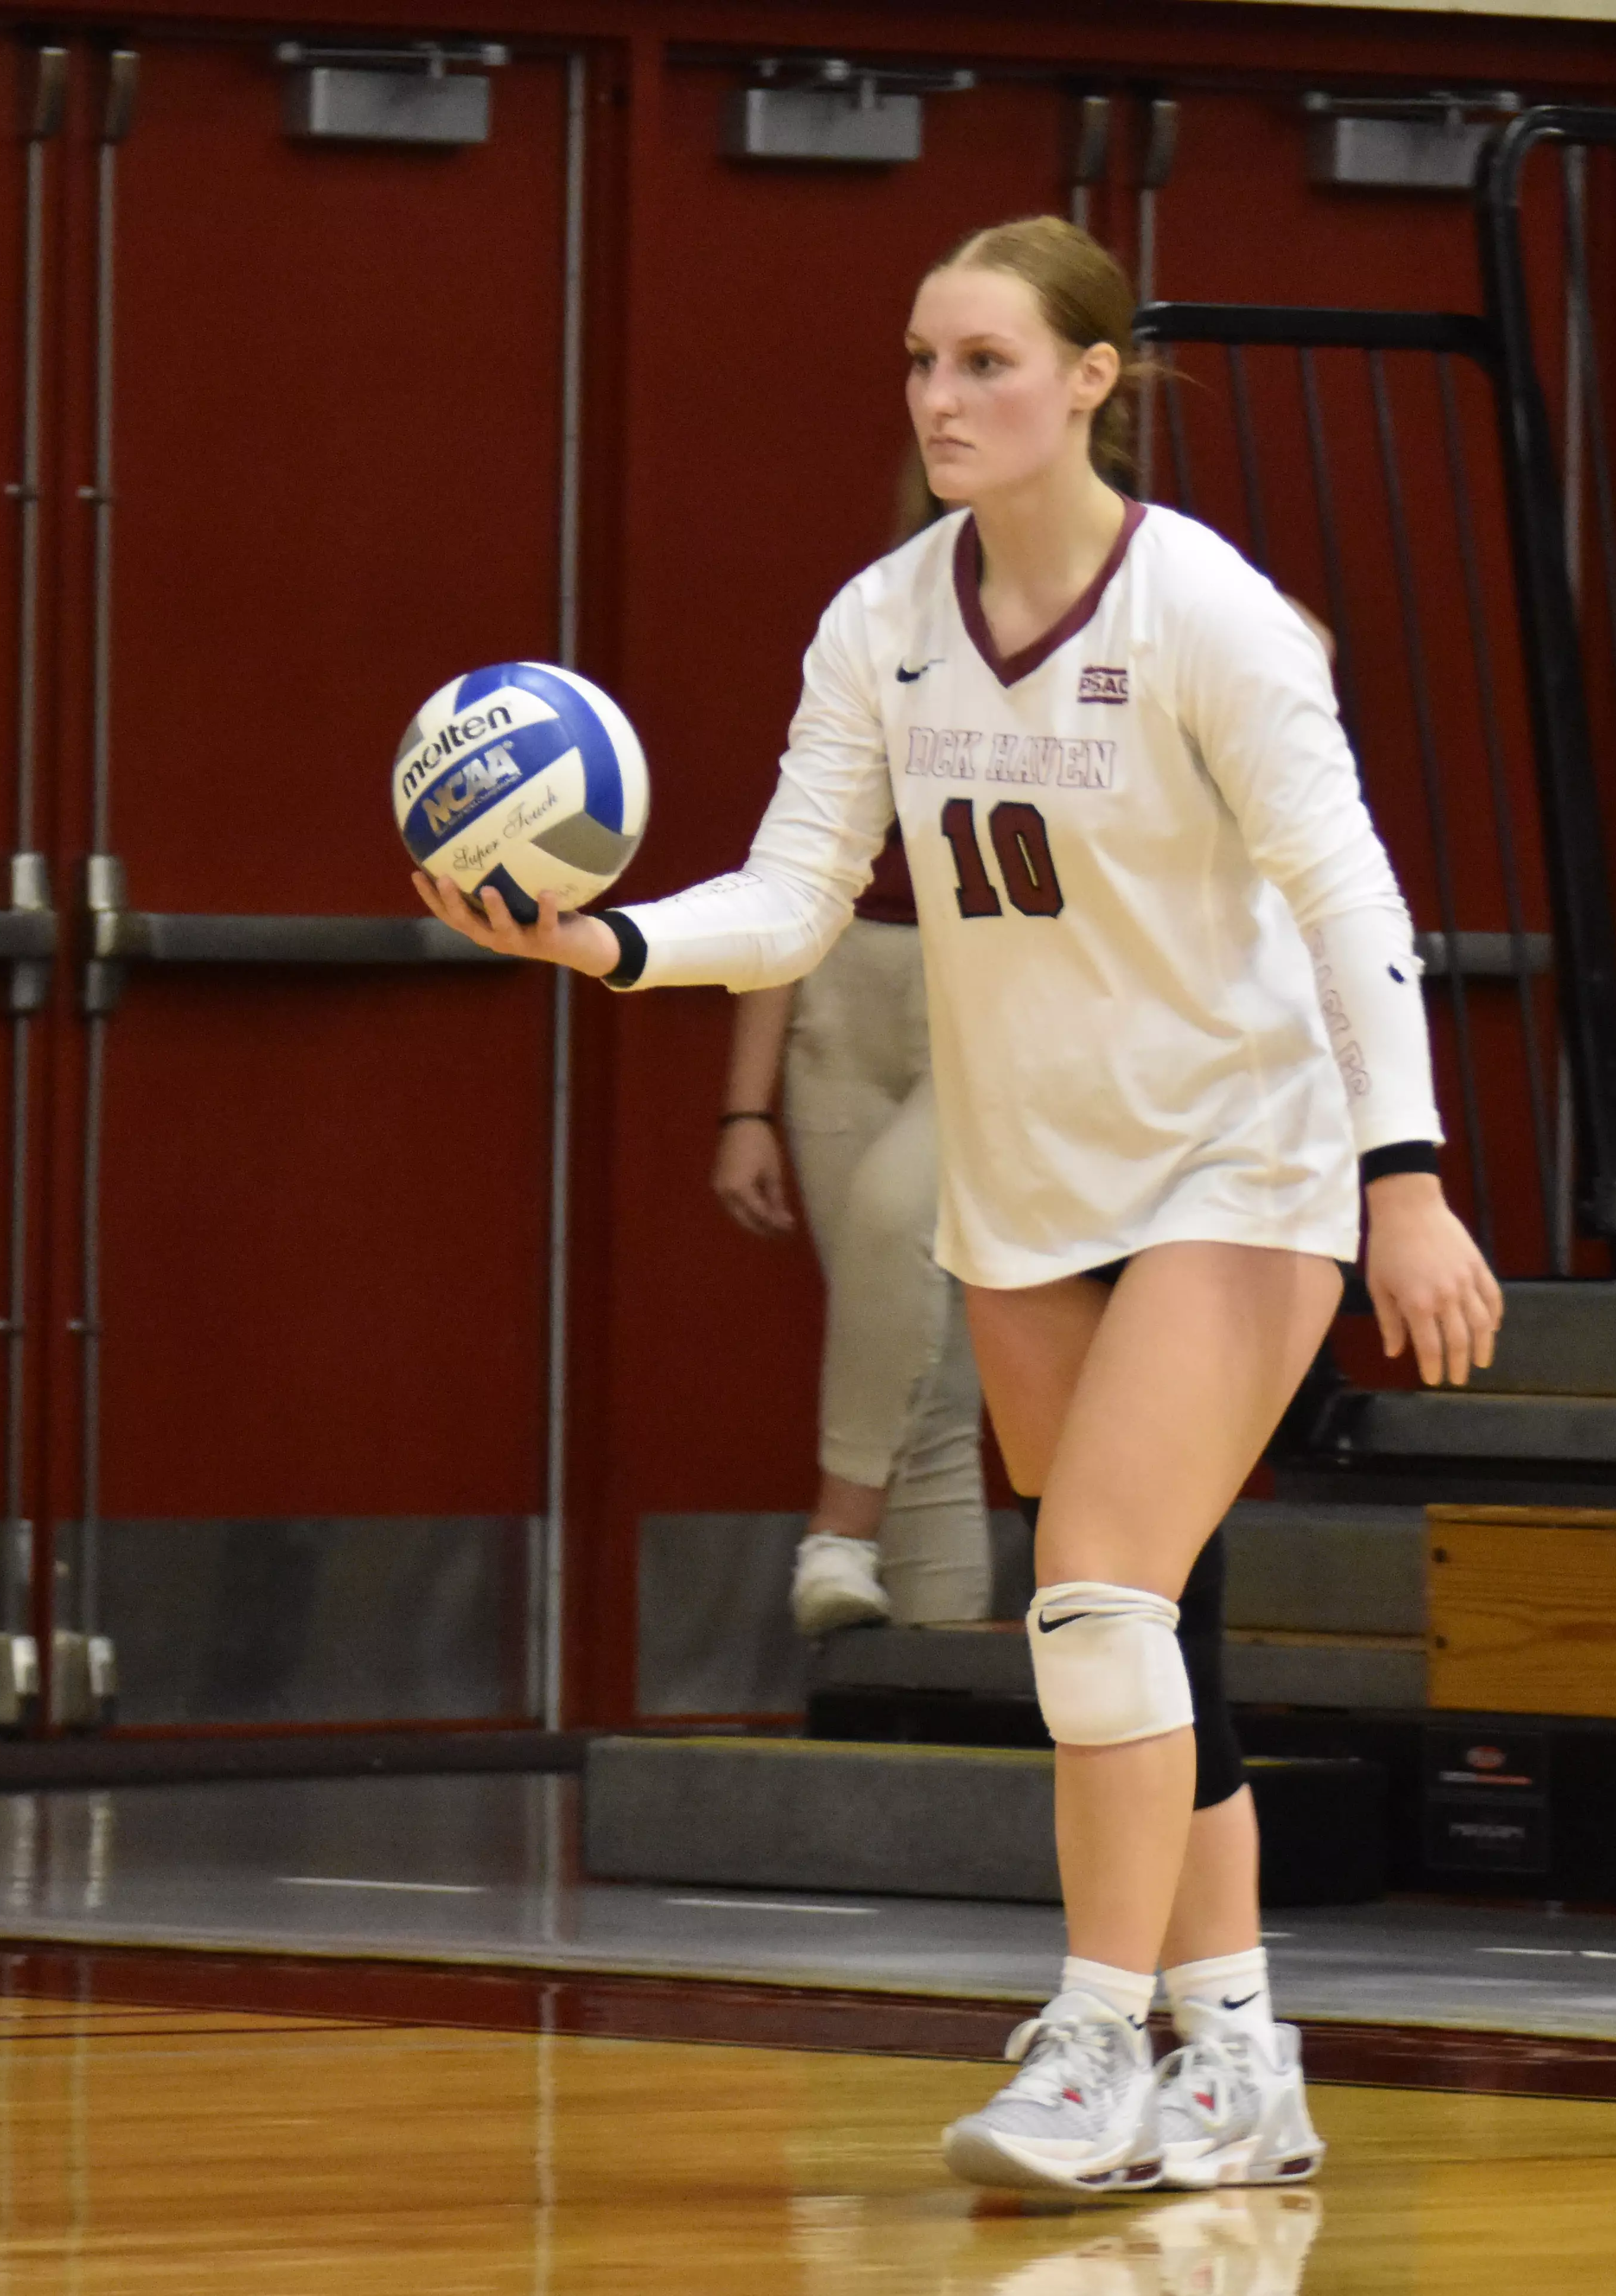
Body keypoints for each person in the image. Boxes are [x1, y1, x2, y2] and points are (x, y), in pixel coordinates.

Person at [422, 214, 1500, 2193]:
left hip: (1238, 1160)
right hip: (1030, 1187)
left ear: (1095, 377)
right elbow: (797, 893)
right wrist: (613, 947)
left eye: (989, 361)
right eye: (922, 362)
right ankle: (1243, 2064)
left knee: (1091, 1596)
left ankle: (1093, 2047)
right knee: (1153, 1635)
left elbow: (1355, 906)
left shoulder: (1210, 614)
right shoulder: (882, 621)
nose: (943, 400)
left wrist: (1405, 1175)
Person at [711, 820, 990, 1638]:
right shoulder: (857, 687)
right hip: (837, 985)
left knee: (889, 1215)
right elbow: (798, 865)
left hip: (1003, 979)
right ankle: (935, 1699)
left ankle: (838, 1532)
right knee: (925, 1385)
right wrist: (745, 1106)